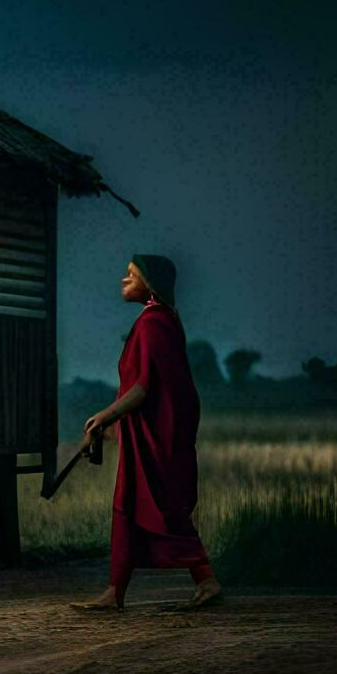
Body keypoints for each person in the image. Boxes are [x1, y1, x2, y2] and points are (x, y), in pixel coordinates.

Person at [71, 254, 223, 611]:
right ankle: (116, 592)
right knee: (129, 502)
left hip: (158, 436)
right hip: (146, 433)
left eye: (131, 275)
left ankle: (206, 580)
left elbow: (143, 387)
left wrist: (105, 416)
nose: (123, 280)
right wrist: (112, 423)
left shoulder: (154, 322)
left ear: (150, 284)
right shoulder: (158, 320)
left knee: (161, 506)